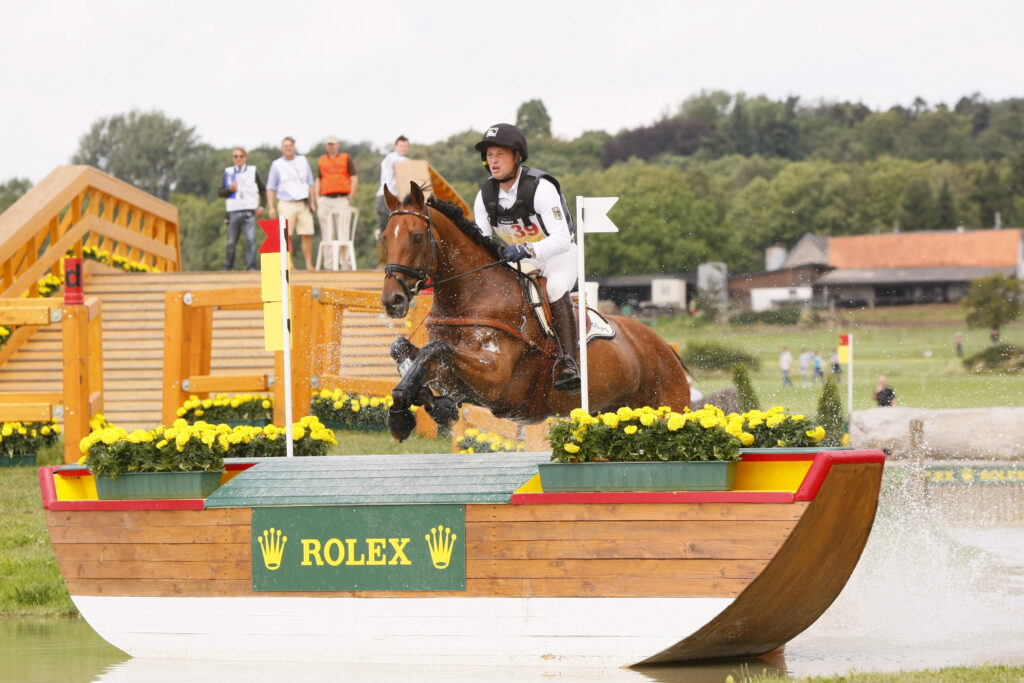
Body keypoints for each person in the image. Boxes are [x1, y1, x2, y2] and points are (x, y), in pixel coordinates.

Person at [472, 123, 581, 393]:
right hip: (519, 259)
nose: (493, 161)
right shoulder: (484, 197)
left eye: (500, 155)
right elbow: (481, 244)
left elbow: (561, 238)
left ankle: (569, 361)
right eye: (490, 155)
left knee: (554, 288)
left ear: (517, 156)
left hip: (559, 255)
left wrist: (529, 249)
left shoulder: (541, 188)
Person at [266, 137, 317, 270]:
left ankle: (308, 264)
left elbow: (310, 183)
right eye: (285, 146)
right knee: (286, 235)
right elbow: (271, 187)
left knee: (306, 233)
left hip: (303, 202)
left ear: (294, 147)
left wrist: (313, 202)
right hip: (286, 202)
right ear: (282, 148)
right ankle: (289, 264)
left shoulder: (303, 161)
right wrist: (271, 207)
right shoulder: (276, 165)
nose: (288, 148)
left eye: (290, 145)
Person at [217, 147, 265, 270]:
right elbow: (220, 192)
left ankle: (252, 267)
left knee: (251, 240)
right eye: (236, 156)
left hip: (249, 210)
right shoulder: (228, 172)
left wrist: (262, 206)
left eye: (241, 156)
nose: (238, 159)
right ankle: (228, 267)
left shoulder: (252, 171)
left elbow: (262, 189)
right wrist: (230, 190)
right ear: (233, 158)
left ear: (245, 157)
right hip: (233, 210)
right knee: (231, 242)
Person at [314, 135, 358, 270]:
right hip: (325, 199)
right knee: (327, 234)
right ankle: (328, 265)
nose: (330, 146)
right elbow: (318, 179)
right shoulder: (322, 160)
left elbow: (354, 178)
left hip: (341, 198)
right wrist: (317, 198)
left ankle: (345, 265)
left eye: (333, 144)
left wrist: (350, 197)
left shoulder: (345, 158)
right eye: (328, 144)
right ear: (326, 146)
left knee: (343, 233)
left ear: (337, 145)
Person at [375, 135, 409, 268]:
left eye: (406, 146)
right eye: (401, 146)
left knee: (397, 230)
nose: (403, 148)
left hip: (397, 200)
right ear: (396, 147)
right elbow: (400, 163)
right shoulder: (392, 157)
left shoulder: (404, 161)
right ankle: (381, 263)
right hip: (386, 199)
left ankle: (393, 261)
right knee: (385, 230)